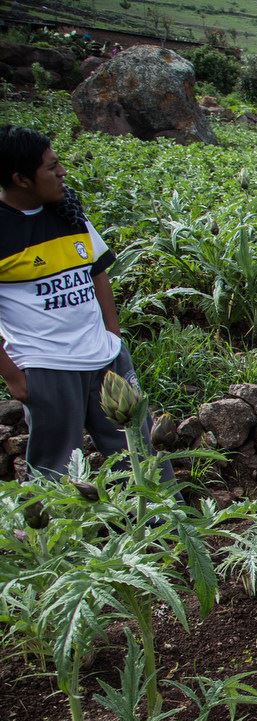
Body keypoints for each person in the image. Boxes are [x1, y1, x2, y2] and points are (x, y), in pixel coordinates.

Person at [0, 125, 156, 480]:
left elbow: (98, 273)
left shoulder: (67, 211)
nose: (62, 172)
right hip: (48, 365)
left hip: (104, 356)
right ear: (21, 179)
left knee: (139, 449)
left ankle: (164, 529)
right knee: (54, 465)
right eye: (51, 167)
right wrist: (13, 376)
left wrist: (114, 338)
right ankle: (54, 535)